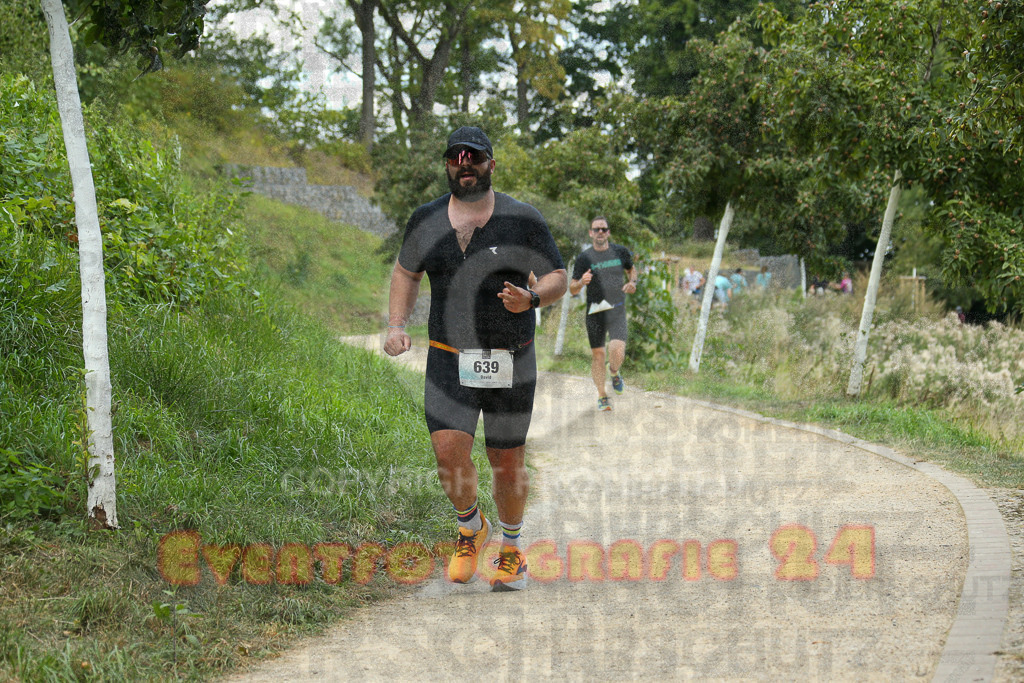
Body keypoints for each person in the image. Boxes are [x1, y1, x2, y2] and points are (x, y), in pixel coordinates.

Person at [384, 126, 567, 592]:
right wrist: (397, 325)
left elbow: (558, 278)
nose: (465, 165)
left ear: (490, 164)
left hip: (511, 359)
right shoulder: (426, 220)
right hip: (449, 357)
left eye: (475, 158)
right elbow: (406, 272)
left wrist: (532, 297)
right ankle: (470, 529)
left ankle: (511, 550)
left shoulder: (522, 218)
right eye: (455, 159)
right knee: (448, 452)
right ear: (447, 166)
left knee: (505, 460)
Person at [569, 217, 637, 412]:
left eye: (604, 229)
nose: (600, 232)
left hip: (616, 309)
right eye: (596, 229)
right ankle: (602, 395)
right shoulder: (584, 258)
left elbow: (632, 270)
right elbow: (572, 289)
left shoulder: (620, 252)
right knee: (598, 355)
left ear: (608, 233)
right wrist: (582, 281)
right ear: (591, 233)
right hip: (595, 312)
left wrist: (633, 283)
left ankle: (614, 372)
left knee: (617, 350)